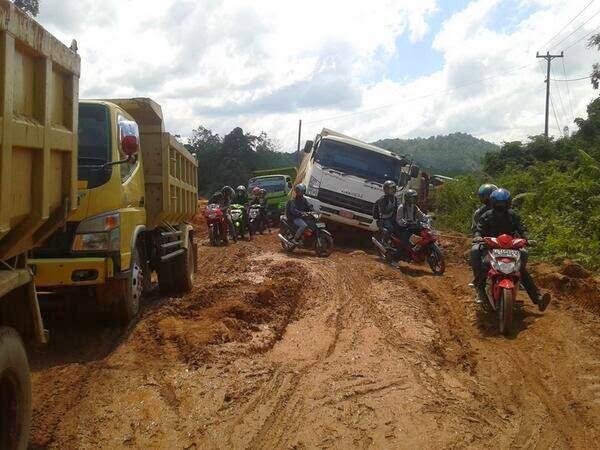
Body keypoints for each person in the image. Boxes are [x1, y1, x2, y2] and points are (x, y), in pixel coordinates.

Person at [473, 188, 551, 311]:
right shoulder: (486, 215)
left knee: (521, 268)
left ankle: (538, 299)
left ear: (507, 203)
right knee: (485, 263)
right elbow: (479, 228)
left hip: (510, 247)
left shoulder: (513, 215)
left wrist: (528, 239)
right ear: (493, 203)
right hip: (491, 247)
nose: (500, 206)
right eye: (498, 203)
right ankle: (480, 290)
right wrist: (478, 237)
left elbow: (522, 229)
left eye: (503, 203)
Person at [373, 180, 399, 247]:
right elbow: (383, 211)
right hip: (384, 219)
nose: (393, 190)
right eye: (391, 189)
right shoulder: (383, 199)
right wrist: (392, 209)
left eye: (393, 188)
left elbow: (397, 208)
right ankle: (384, 241)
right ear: (386, 189)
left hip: (392, 218)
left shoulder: (395, 198)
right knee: (390, 228)